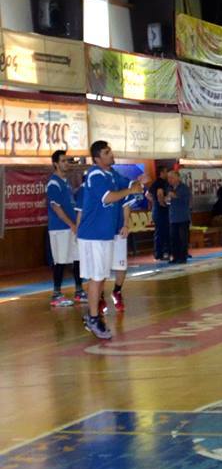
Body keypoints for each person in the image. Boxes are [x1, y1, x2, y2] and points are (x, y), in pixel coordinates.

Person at [76, 140, 143, 340]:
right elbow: (107, 197)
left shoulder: (112, 174)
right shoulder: (95, 175)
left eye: (110, 151)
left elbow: (129, 184)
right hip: (93, 234)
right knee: (96, 278)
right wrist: (130, 190)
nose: (111, 154)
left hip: (105, 235)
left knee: (101, 277)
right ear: (97, 158)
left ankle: (94, 315)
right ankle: (93, 317)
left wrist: (137, 183)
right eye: (106, 152)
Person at [46, 149, 86, 307]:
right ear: (55, 164)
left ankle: (79, 291)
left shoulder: (66, 183)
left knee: (77, 259)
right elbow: (56, 208)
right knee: (60, 261)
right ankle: (56, 295)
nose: (66, 163)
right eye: (63, 161)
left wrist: (75, 225)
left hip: (71, 228)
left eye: (68, 160)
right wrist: (71, 224)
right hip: (60, 229)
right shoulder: (53, 183)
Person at [166, 169, 192, 263]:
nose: (170, 179)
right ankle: (175, 257)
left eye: (172, 177)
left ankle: (182, 257)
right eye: (168, 178)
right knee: (174, 238)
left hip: (183, 217)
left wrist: (174, 196)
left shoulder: (184, 188)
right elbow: (167, 201)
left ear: (178, 177)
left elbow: (187, 200)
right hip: (173, 217)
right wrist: (166, 199)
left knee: (182, 239)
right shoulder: (169, 188)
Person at [147, 165, 170, 261]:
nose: (167, 174)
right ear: (162, 173)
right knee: (163, 232)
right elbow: (160, 194)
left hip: (156, 210)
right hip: (161, 211)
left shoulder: (154, 183)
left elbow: (147, 194)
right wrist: (162, 203)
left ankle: (159, 253)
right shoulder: (161, 183)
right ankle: (161, 253)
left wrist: (154, 202)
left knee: (159, 232)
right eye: (166, 171)